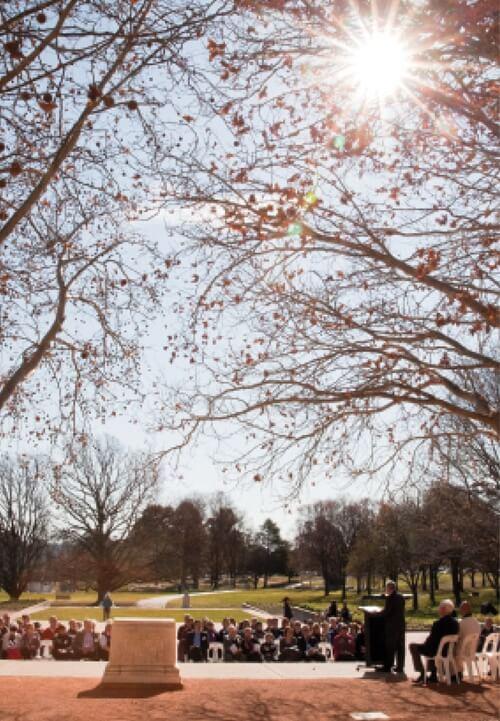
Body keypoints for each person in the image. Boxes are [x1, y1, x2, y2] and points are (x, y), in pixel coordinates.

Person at [409, 599, 459, 684]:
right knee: (434, 647)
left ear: (443, 609)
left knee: (413, 646)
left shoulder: (438, 623)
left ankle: (422, 674)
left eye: (440, 607)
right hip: (447, 651)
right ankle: (433, 675)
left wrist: (424, 644)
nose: (438, 609)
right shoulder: (455, 623)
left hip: (436, 650)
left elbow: (432, 641)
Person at [374, 580, 406, 673]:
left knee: (390, 646)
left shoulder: (390, 598)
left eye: (386, 588)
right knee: (400, 647)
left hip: (392, 626)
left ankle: (388, 667)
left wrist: (378, 613)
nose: (385, 590)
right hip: (401, 625)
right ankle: (400, 667)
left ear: (389, 588)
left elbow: (387, 612)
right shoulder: (401, 597)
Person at [455, 601, 480, 674]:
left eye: (460, 609)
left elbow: (457, 637)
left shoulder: (462, 623)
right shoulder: (476, 622)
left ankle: (457, 672)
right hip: (473, 651)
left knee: (450, 650)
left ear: (463, 610)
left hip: (463, 651)